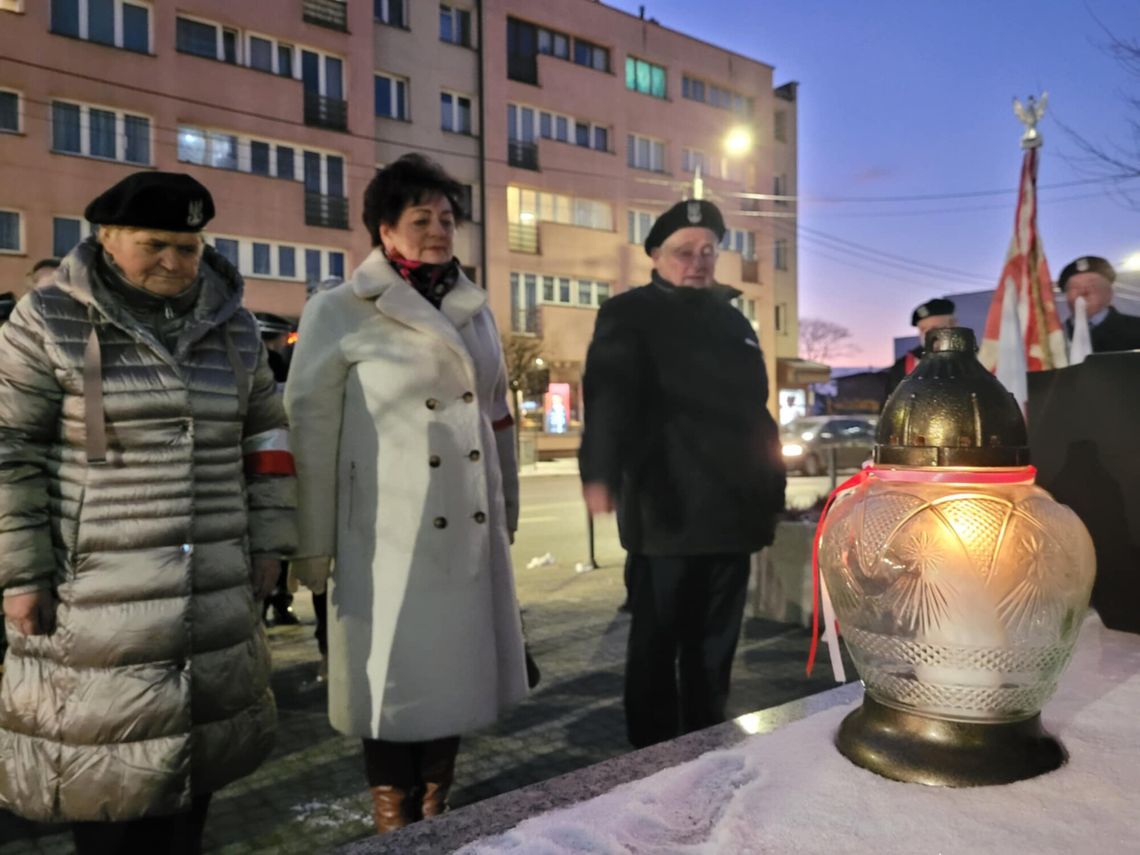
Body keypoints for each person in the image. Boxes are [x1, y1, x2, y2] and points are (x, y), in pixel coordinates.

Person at [0, 171, 296, 854]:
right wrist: (21, 575)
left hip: (212, 592)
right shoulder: (48, 320)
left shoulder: (235, 328)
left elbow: (268, 439)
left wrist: (271, 546)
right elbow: (10, 451)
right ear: (106, 239)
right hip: (95, 600)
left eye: (188, 247)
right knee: (107, 791)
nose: (175, 261)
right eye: (154, 244)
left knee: (194, 787)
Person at [285, 154, 529, 833]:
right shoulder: (340, 310)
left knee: (455, 670)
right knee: (389, 678)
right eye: (421, 218)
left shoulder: (473, 309)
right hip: (382, 537)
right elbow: (310, 432)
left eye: (447, 218)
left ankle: (435, 803)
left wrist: (506, 504)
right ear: (384, 230)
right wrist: (311, 546)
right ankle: (394, 811)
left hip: (467, 526)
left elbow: (497, 414)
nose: (438, 230)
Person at [578, 198, 786, 749]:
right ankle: (648, 757)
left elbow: (756, 414)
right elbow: (608, 398)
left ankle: (703, 745)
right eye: (683, 252)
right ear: (654, 255)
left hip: (732, 514)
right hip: (665, 512)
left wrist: (772, 489)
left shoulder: (734, 321)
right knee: (656, 645)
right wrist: (598, 472)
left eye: (707, 251)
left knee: (715, 649)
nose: (697, 261)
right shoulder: (629, 313)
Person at [1057, 255, 1140, 353]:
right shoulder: (1053, 337)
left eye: (1093, 285)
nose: (1084, 292)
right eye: (1075, 287)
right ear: (1066, 295)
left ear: (1110, 292)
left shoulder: (1136, 329)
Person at [882, 297, 956, 404]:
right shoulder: (904, 365)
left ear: (953, 324)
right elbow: (888, 407)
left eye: (935, 328)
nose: (929, 334)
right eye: (923, 329)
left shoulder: (974, 360)